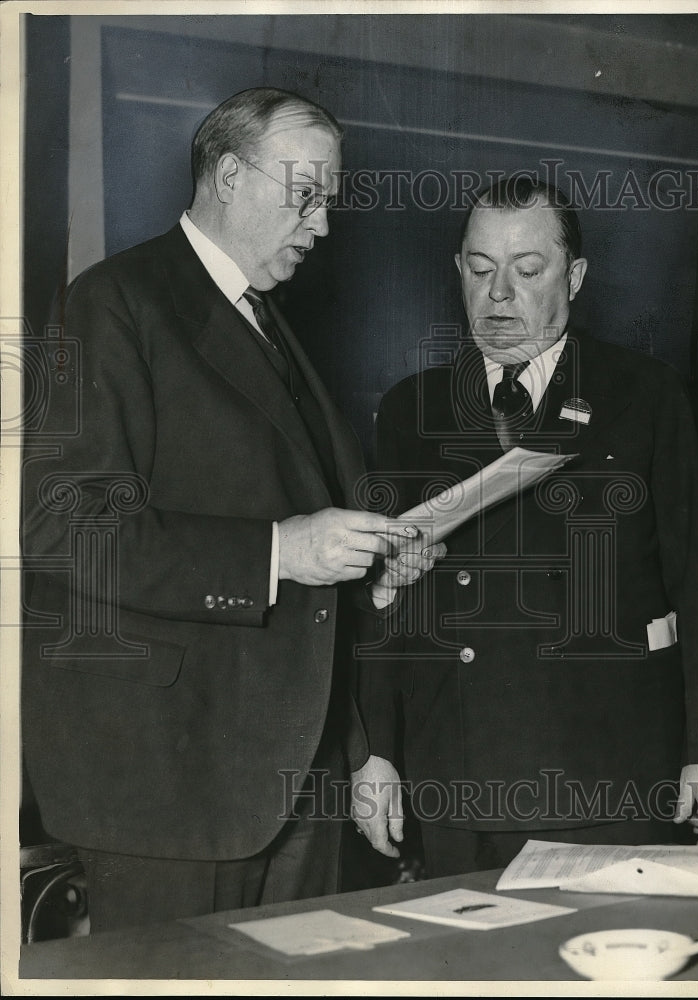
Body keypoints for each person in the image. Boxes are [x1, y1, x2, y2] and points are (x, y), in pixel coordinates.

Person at [22, 87, 441, 931]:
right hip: (172, 783)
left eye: (329, 199)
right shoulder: (114, 302)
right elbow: (61, 528)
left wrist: (368, 564)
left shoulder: (269, 324)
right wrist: (278, 553)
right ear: (227, 175)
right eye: (305, 194)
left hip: (298, 777)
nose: (321, 225)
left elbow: (297, 533)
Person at [351, 176, 698, 877]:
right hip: (453, 770)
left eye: (527, 270)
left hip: (605, 770)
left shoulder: (642, 393)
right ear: (458, 273)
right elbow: (389, 599)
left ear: (574, 277)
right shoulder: (409, 408)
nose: (498, 294)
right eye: (479, 269)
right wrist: (376, 750)